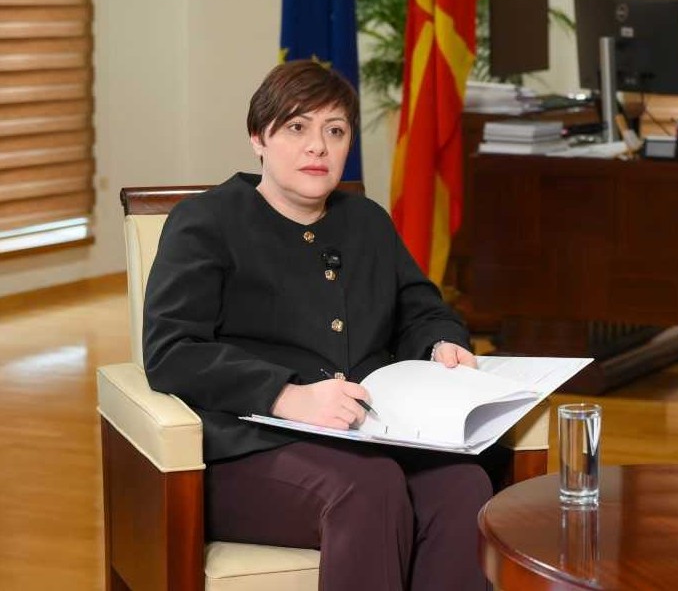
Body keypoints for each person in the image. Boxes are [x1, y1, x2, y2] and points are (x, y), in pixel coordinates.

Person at [143, 60, 492, 590]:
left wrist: (441, 343)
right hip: (250, 449)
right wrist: (286, 395)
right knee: (370, 487)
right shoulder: (206, 223)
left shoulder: (367, 221)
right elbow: (172, 351)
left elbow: (421, 308)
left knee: (463, 485)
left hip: (371, 435)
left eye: (335, 131)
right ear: (258, 137)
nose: (318, 147)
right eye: (297, 127)